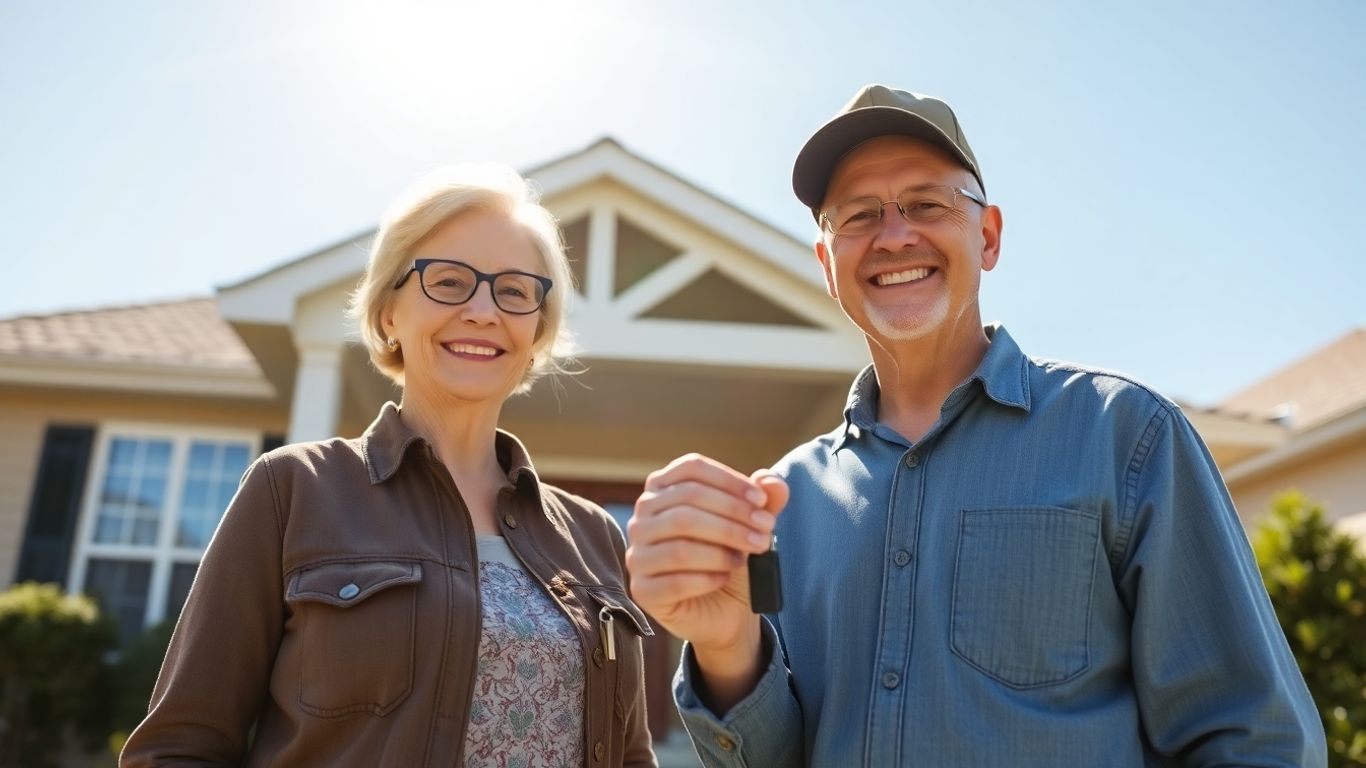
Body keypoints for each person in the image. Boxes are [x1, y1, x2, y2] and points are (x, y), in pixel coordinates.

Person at [625, 85, 1325, 767]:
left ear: (987, 236)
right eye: (860, 216)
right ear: (828, 267)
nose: (895, 236)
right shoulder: (785, 499)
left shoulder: (1127, 438)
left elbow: (1256, 738)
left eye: (926, 204)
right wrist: (725, 649)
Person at [121, 164, 657, 767]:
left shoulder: (594, 538)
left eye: (513, 290)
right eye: (449, 282)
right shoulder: (292, 491)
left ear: (537, 328)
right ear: (387, 314)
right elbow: (178, 748)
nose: (483, 311)